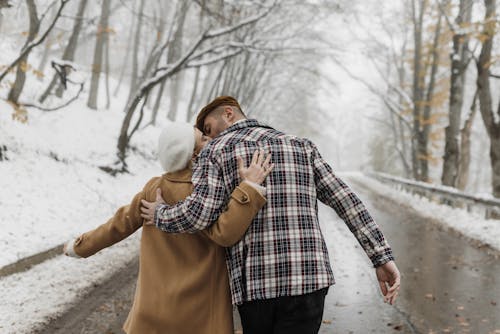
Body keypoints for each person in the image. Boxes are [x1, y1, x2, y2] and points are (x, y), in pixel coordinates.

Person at [141, 96, 401, 334]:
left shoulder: (216, 151)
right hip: (309, 279)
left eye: (208, 129)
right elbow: (346, 201)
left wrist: (160, 214)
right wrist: (380, 256)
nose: (209, 138)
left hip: (256, 285)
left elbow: (198, 215)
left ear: (228, 114)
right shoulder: (302, 146)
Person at [63, 121, 274, 334]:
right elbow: (227, 230)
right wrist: (250, 188)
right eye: (203, 138)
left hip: (152, 314)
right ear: (193, 155)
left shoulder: (154, 189)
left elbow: (117, 226)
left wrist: (80, 246)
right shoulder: (209, 193)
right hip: (201, 316)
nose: (210, 140)